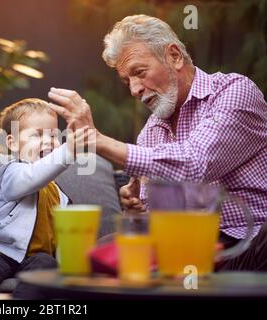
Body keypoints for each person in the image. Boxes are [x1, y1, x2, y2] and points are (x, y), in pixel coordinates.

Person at [48, 14, 267, 271]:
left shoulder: (234, 92)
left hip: (247, 242)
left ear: (174, 56)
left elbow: (193, 164)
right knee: (100, 252)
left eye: (139, 73)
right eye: (127, 81)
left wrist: (96, 139)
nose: (134, 90)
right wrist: (140, 209)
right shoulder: (151, 132)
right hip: (188, 245)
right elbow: (159, 216)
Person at [0, 98, 76, 299]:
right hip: (0, 250)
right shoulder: (12, 172)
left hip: (37, 258)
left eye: (53, 134)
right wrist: (68, 151)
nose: (48, 141)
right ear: (13, 143)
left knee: (47, 266)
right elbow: (32, 177)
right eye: (37, 134)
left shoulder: (59, 194)